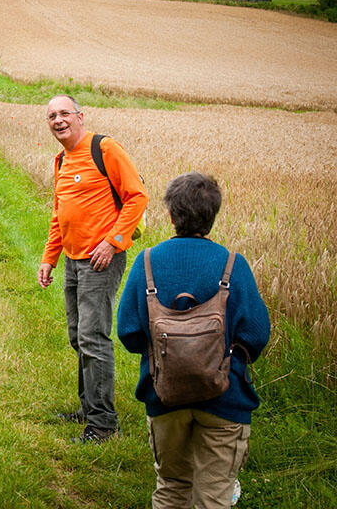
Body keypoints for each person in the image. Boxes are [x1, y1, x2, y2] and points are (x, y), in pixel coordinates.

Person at [117, 172, 270, 509]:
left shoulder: (147, 263)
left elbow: (128, 332)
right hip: (225, 400)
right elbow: (257, 335)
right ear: (213, 215)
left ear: (171, 215)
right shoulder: (234, 265)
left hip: (164, 397)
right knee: (214, 497)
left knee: (171, 488)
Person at [37, 94, 147, 443]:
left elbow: (137, 196)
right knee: (77, 335)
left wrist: (113, 241)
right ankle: (89, 407)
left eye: (64, 113)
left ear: (80, 116)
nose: (58, 120)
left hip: (102, 259)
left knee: (93, 338)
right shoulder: (60, 162)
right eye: (52, 116)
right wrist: (49, 257)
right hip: (72, 259)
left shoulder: (105, 149)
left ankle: (102, 424)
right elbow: (59, 215)